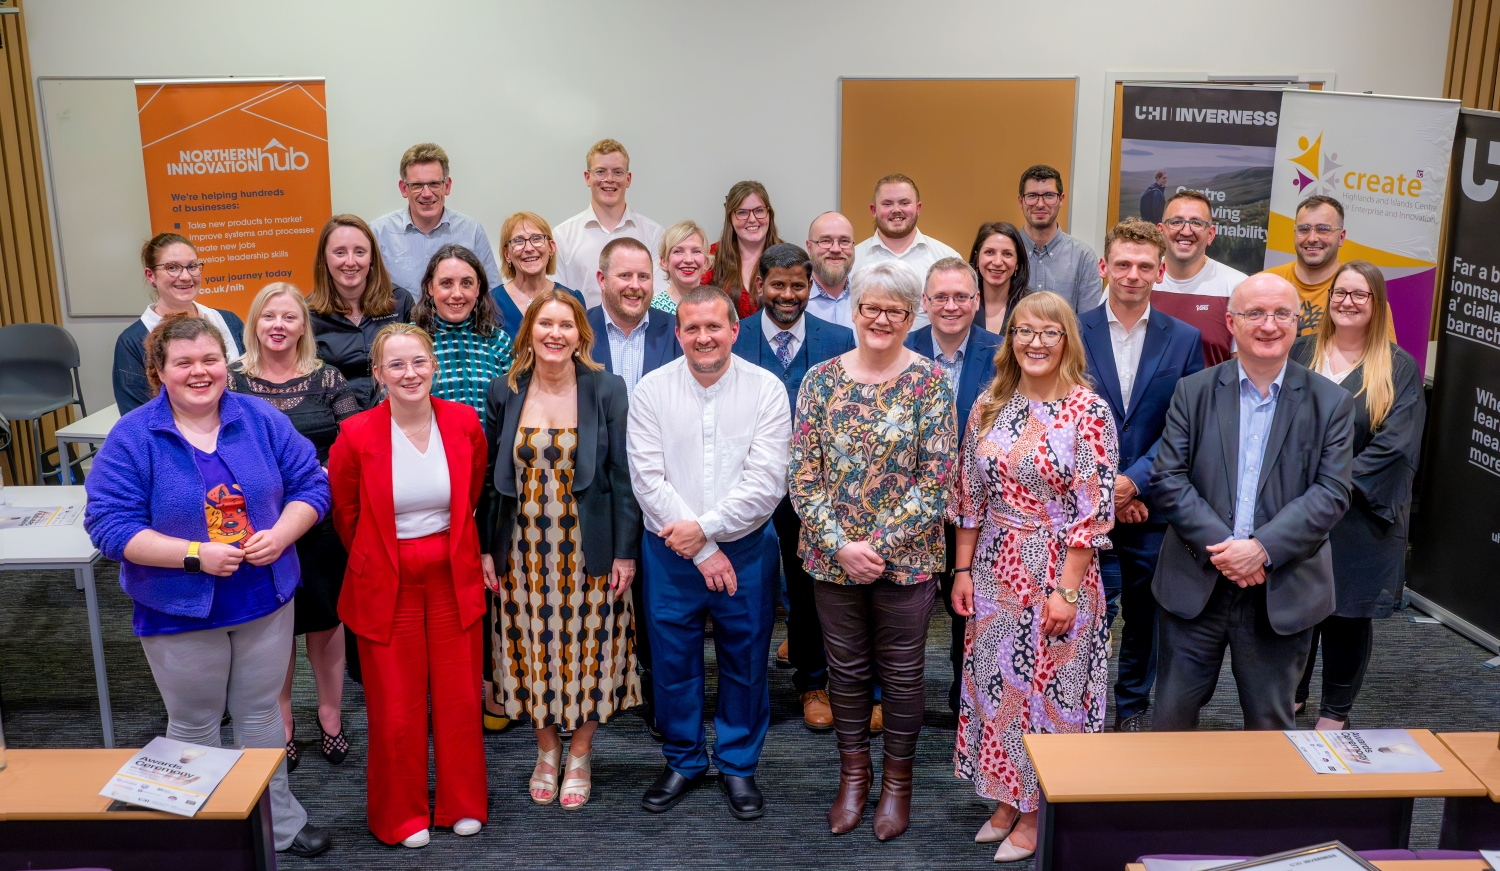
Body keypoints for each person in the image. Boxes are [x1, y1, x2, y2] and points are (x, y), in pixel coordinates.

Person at [85, 313, 332, 858]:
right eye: (185, 363)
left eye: (210, 359)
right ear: (159, 371)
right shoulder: (134, 437)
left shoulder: (260, 419)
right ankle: (204, 832)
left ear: (227, 363)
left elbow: (311, 482)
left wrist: (283, 532)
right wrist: (194, 555)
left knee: (262, 715)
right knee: (195, 724)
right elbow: (108, 525)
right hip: (176, 607)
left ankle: (278, 822)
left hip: (262, 598)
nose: (200, 372)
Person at [947, 291, 1117, 862]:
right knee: (998, 688)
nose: (1035, 343)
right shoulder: (991, 402)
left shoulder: (1087, 411)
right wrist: (963, 569)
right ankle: (1006, 794)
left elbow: (1093, 512)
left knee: (1050, 694)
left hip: (1058, 570)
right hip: (995, 567)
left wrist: (1067, 591)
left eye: (1049, 332)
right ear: (1010, 340)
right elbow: (969, 494)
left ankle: (1040, 808)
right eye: (1024, 331)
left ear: (1066, 340)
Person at [789, 260, 955, 841]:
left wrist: (877, 546)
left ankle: (897, 784)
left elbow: (937, 480)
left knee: (905, 674)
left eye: (895, 311)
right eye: (871, 307)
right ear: (854, 310)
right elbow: (803, 477)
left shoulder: (932, 383)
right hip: (833, 558)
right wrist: (842, 545)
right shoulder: (819, 380)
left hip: (906, 559)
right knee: (847, 671)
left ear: (912, 318)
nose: (880, 319)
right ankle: (854, 776)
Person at [1150, 272, 1355, 732]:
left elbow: (1331, 493)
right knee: (1169, 722)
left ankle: (1266, 810)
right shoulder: (1195, 391)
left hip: (1280, 590)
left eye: (1282, 313)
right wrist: (1229, 550)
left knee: (1271, 729)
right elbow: (1168, 478)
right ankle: (1165, 807)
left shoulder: (1331, 403)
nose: (1269, 325)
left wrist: (1260, 549)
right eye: (1255, 313)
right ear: (1231, 322)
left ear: (1298, 322)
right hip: (1196, 581)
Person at [628, 286, 791, 821]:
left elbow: (767, 483)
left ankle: (739, 765)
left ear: (734, 330)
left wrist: (709, 537)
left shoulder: (766, 389)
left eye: (713, 327)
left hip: (746, 551)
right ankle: (684, 760)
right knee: (672, 663)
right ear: (678, 333)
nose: (703, 338)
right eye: (692, 328)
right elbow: (647, 481)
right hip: (670, 555)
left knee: (746, 661)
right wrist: (701, 550)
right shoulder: (651, 391)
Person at [327, 323, 489, 848]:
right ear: (377, 375)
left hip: (450, 568)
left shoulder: (464, 423)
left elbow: (472, 494)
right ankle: (400, 815)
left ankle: (462, 803)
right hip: (386, 575)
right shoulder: (356, 435)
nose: (409, 373)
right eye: (395, 365)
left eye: (418, 361)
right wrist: (380, 559)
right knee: (394, 704)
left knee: (459, 696)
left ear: (433, 364)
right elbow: (347, 516)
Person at [481, 289, 642, 808]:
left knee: (591, 652)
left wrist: (625, 552)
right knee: (531, 650)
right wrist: (487, 550)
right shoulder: (504, 390)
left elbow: (623, 478)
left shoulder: (606, 389)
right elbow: (489, 481)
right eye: (544, 324)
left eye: (565, 325)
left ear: (580, 335)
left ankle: (581, 752)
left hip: (587, 549)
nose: (555, 334)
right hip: (522, 551)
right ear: (528, 332)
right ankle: (546, 750)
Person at [227, 283, 363, 770]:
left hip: (321, 520)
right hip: (261, 528)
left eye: (288, 317)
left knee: (326, 624)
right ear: (255, 325)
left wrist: (329, 475)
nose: (278, 326)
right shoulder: (232, 381)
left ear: (304, 325)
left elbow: (355, 440)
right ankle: (281, 722)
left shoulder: (326, 378)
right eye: (269, 317)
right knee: (275, 629)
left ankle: (330, 715)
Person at [1077, 220, 1205, 732]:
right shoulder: (1073, 329)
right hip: (1085, 508)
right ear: (1105, 268)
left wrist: (1134, 482)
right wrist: (1109, 488)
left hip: (1151, 507)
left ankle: (1132, 708)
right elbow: (1060, 415)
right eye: (1123, 264)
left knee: (1146, 618)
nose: (1133, 275)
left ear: (1160, 273)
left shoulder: (1185, 339)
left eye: (1144, 267)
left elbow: (1187, 422)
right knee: (1087, 615)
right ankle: (1080, 706)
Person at [1292, 262, 1425, 730]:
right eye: (1340, 293)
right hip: (1295, 510)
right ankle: (1293, 696)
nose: (1347, 302)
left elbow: (1396, 446)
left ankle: (1335, 713)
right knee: (1294, 610)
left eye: (1360, 295)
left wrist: (1331, 489)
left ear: (1376, 305)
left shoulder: (1398, 367)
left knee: (1346, 616)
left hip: (1358, 515)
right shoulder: (1300, 352)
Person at [731, 243, 856, 733]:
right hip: (748, 488)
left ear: (811, 287)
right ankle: (746, 685)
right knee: (748, 591)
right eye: (777, 285)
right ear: (758, 285)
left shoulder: (839, 338)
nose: (787, 295)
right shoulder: (734, 338)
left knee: (808, 591)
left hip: (817, 492)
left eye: (797, 285)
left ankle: (813, 682)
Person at [903, 257, 1002, 715]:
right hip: (911, 509)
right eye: (940, 297)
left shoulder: (1005, 354)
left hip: (980, 512)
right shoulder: (900, 347)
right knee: (904, 614)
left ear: (977, 301)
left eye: (961, 296)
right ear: (925, 302)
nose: (951, 306)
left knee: (973, 610)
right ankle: (899, 701)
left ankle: (969, 700)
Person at [114, 233, 244, 413]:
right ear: (150, 275)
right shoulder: (132, 342)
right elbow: (137, 416)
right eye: (172, 267)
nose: (185, 276)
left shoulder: (230, 323)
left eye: (192, 266)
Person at [308, 214, 417, 408]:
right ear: (324, 257)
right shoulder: (308, 315)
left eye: (360, 252)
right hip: (337, 423)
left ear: (372, 256)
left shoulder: (400, 302)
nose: (350, 262)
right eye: (340, 253)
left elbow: (420, 363)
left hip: (397, 417)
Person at [370, 143, 502, 293]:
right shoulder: (379, 233)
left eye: (434, 183)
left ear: (447, 186)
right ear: (403, 188)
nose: (426, 193)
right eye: (417, 185)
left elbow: (492, 293)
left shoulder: (472, 231)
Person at [1266, 195, 1396, 339]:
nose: (1312, 238)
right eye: (1304, 229)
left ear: (1341, 237)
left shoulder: (1364, 296)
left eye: (1323, 229)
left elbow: (1383, 356)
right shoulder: (1266, 282)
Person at [554, 139, 667, 305]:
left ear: (628, 179)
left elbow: (657, 298)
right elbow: (558, 300)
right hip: (582, 330)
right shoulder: (562, 236)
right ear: (587, 177)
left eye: (617, 172)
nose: (609, 179)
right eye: (600, 171)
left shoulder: (654, 235)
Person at [411, 244, 515, 416]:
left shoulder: (497, 341)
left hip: (487, 442)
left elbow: (516, 406)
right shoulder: (411, 341)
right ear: (430, 287)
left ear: (478, 288)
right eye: (446, 283)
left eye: (466, 283)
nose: (457, 293)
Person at [1150, 191, 1248, 368]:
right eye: (1176, 222)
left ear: (1210, 234)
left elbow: (1242, 370)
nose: (1186, 231)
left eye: (1196, 223)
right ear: (1160, 231)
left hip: (1209, 396)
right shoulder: (1134, 280)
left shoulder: (1238, 287)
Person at [852, 174, 962, 329]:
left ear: (918, 208)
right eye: (887, 204)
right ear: (873, 210)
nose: (896, 210)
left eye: (904, 203)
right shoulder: (853, 260)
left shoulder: (946, 257)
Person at [587, 238, 681, 394]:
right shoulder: (578, 329)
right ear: (602, 280)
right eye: (625, 275)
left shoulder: (676, 330)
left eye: (643, 277)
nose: (635, 285)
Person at [1016, 164, 1102, 313]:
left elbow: (1088, 324)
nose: (1040, 204)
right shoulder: (1006, 254)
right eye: (1032, 196)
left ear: (1061, 199)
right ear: (1020, 201)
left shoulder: (1083, 257)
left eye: (1049, 195)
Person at [494, 211, 586, 337]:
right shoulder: (490, 303)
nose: (529, 248)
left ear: (551, 248)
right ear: (507, 254)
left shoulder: (573, 299)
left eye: (536, 238)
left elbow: (582, 351)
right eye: (518, 241)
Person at [702, 180, 784, 319]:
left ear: (769, 213)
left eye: (759, 210)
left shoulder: (786, 256)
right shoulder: (712, 256)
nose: (752, 219)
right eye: (742, 212)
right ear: (730, 218)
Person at [968, 221, 1032, 335]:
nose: (997, 262)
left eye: (1007, 254)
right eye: (989, 252)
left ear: (1017, 263)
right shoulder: (961, 303)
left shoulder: (1032, 306)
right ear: (977, 259)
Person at [805, 211, 859, 330]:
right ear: (809, 247)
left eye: (844, 241)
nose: (836, 249)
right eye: (825, 241)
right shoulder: (794, 300)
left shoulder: (867, 296)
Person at [654, 219, 709, 314]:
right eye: (678, 251)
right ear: (664, 262)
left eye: (696, 251)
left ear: (705, 262)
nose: (688, 260)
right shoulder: (651, 310)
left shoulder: (721, 306)